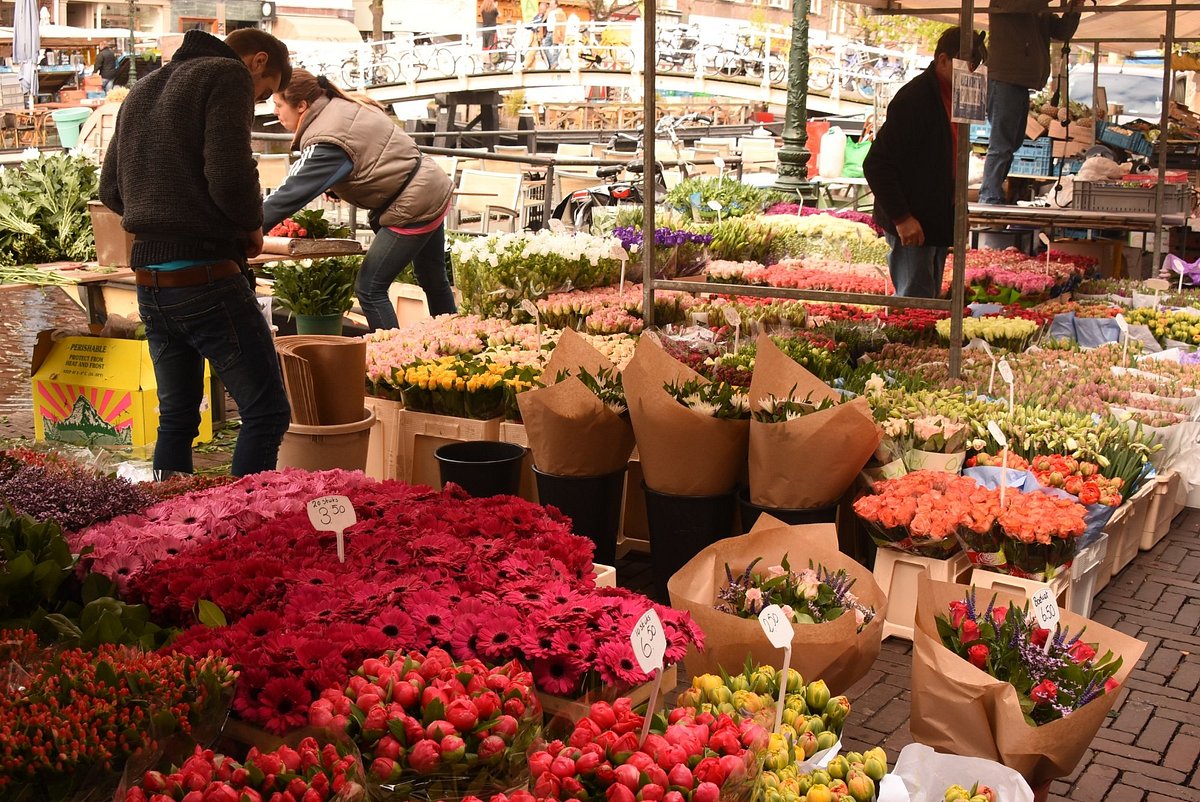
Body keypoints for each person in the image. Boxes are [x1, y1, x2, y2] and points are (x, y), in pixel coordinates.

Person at [99, 28, 293, 479]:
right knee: (266, 413)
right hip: (206, 278)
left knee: (178, 419)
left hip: (149, 280)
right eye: (265, 93)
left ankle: (174, 529)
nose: (260, 102)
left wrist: (161, 218)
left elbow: (110, 188)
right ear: (258, 62)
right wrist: (250, 225)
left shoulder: (145, 85)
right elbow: (229, 174)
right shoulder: (226, 74)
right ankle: (243, 526)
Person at [263, 70, 457, 332]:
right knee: (434, 281)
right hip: (430, 185)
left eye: (278, 104)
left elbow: (289, 194)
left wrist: (249, 227)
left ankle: (393, 364)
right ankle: (455, 345)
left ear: (301, 106)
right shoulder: (343, 105)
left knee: (369, 288)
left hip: (411, 205)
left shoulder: (326, 138)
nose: (275, 112)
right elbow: (374, 156)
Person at [863, 27, 987, 299]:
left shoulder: (956, 97)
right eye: (967, 67)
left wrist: (959, 208)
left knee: (927, 298)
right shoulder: (915, 99)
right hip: (913, 220)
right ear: (943, 60)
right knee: (915, 301)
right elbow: (876, 164)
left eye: (975, 68)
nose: (972, 75)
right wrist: (903, 218)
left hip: (936, 218)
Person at [978, 0, 1083, 204]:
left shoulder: (1038, 9)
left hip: (1018, 80)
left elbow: (1062, 31)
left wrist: (1075, 7)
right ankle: (989, 195)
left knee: (1012, 141)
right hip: (1005, 78)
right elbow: (1026, 5)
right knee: (1002, 143)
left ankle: (992, 191)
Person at [543, 0, 565, 68]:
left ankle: (553, 64)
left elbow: (563, 24)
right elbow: (543, 20)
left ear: (556, 5)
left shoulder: (559, 12)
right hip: (548, 32)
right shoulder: (548, 12)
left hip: (555, 32)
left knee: (556, 49)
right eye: (550, 4)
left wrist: (561, 33)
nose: (550, 5)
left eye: (552, 4)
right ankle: (553, 62)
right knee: (545, 47)